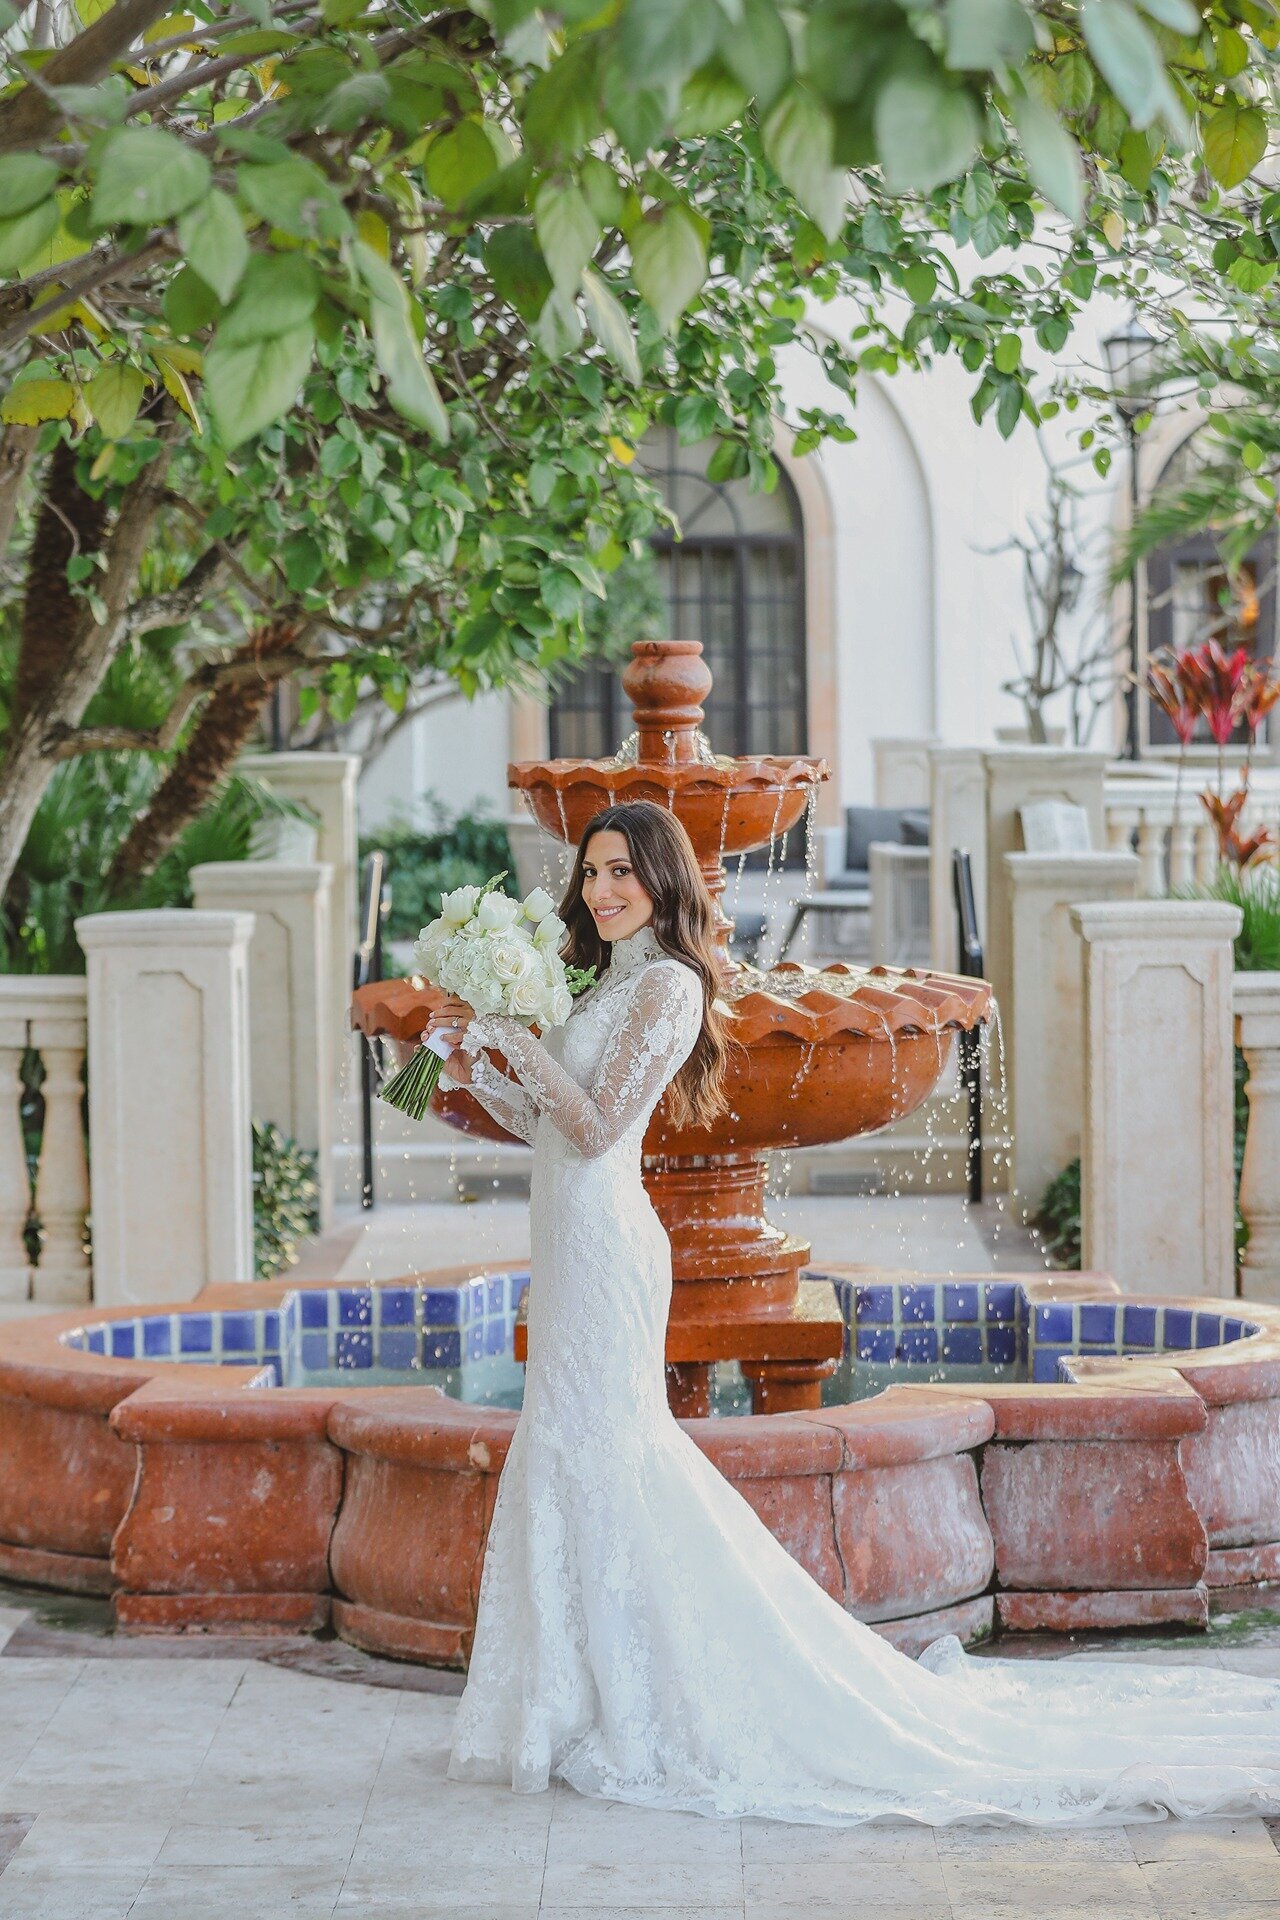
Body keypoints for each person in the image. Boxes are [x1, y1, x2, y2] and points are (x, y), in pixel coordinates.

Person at [426, 798, 1280, 1827]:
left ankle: (653, 1696)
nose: (602, 890)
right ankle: (569, 1701)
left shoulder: (668, 987)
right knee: (565, 1446)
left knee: (611, 1449)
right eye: (592, 872)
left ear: (662, 880)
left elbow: (604, 1127)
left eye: (621, 872)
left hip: (607, 1246)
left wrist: (515, 1041)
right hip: (564, 1244)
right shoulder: (601, 979)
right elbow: (549, 1128)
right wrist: (476, 1066)